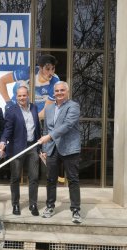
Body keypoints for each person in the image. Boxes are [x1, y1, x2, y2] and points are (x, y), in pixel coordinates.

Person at [38, 81, 82, 224]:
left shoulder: (73, 106)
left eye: (62, 90)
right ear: (53, 93)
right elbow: (46, 128)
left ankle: (75, 210)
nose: (59, 93)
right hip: (51, 148)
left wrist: (49, 136)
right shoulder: (49, 108)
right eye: (57, 91)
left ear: (67, 92)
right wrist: (44, 149)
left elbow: (67, 125)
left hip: (70, 148)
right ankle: (50, 206)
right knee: (51, 179)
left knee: (73, 180)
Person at [0, 85, 41, 216]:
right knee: (15, 177)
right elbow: (8, 129)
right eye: (19, 95)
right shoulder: (11, 110)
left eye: (24, 95)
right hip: (17, 148)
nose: (22, 97)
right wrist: (3, 141)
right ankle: (15, 204)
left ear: (28, 95)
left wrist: (40, 147)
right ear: (16, 97)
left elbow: (37, 127)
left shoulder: (34, 107)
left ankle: (33, 204)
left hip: (32, 146)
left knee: (34, 177)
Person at [0, 54, 59, 119]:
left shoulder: (55, 82)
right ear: (40, 68)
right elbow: (1, 81)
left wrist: (31, 121)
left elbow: (46, 110)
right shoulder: (28, 73)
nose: (51, 73)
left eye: (53, 69)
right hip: (18, 102)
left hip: (39, 107)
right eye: (48, 69)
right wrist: (8, 102)